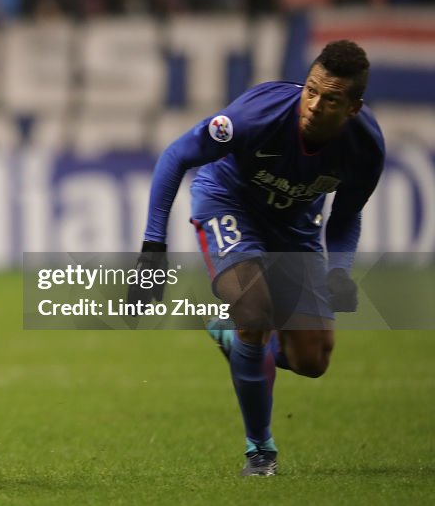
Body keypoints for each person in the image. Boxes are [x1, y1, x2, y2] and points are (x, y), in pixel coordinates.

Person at [127, 40, 384, 476]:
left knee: (312, 361)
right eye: (311, 91)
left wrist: (340, 271)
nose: (315, 105)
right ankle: (260, 450)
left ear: (353, 108)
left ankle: (236, 339)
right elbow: (176, 156)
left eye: (332, 99)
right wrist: (154, 250)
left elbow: (345, 217)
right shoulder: (258, 115)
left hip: (295, 227)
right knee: (254, 311)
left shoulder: (366, 149)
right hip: (229, 203)